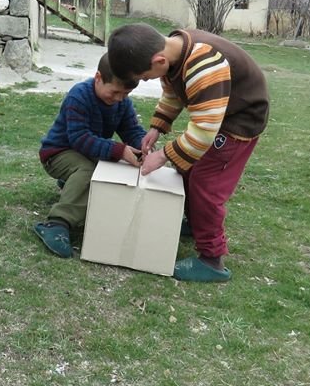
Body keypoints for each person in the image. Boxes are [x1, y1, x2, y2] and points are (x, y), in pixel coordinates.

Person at [107, 23, 269, 282]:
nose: (147, 81)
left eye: (145, 77)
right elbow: (172, 92)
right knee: (188, 169)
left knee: (206, 185)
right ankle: (195, 225)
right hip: (218, 115)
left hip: (240, 121)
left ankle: (212, 259)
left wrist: (162, 156)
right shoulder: (172, 51)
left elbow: (204, 132)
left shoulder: (203, 66)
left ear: (158, 60)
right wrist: (157, 128)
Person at [33, 52, 147, 259]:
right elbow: (79, 138)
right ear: (98, 78)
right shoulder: (80, 95)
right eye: (114, 92)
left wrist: (144, 145)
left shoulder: (122, 102)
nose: (119, 99)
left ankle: (72, 186)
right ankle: (57, 222)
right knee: (86, 170)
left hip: (87, 152)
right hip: (58, 152)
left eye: (125, 94)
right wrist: (120, 150)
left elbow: (131, 130)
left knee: (111, 168)